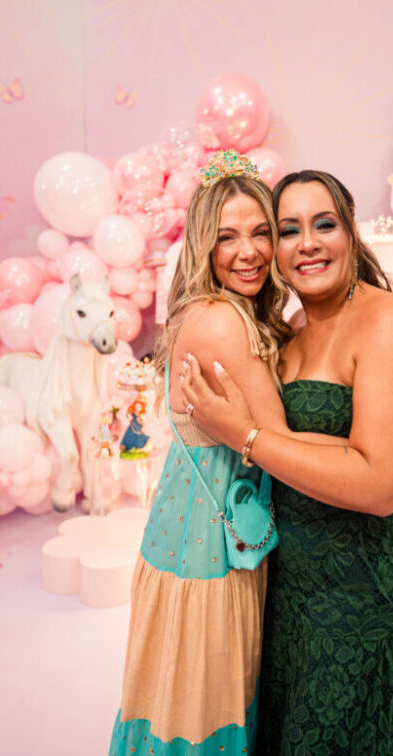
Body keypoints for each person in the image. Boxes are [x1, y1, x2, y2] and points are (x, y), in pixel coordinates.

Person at [180, 169, 393, 753]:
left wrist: (241, 435)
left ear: (351, 231)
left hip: (362, 578)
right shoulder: (290, 328)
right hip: (290, 574)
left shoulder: (390, 320)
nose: (307, 243)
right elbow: (304, 441)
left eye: (324, 224)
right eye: (288, 230)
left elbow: (382, 487)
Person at [108, 150, 296, 754]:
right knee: (202, 712)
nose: (249, 251)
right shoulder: (219, 320)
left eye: (261, 232)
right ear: (203, 246)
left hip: (188, 531)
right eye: (227, 237)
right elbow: (283, 443)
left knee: (176, 702)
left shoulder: (218, 311)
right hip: (209, 550)